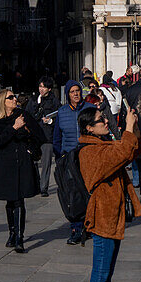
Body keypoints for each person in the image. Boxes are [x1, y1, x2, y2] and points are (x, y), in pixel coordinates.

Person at [78, 103, 141, 282]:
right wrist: (126, 128)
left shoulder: (101, 144)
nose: (106, 121)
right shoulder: (89, 151)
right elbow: (120, 154)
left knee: (107, 274)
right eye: (100, 120)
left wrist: (134, 128)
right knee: (100, 274)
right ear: (89, 128)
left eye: (104, 117)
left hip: (112, 215)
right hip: (102, 217)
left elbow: (129, 151)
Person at [0, 89, 43, 253]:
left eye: (14, 97)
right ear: (2, 101)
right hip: (6, 163)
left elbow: (39, 135)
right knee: (10, 200)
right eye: (10, 97)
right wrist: (14, 128)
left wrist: (27, 135)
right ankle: (12, 232)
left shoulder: (23, 115)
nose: (14, 99)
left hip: (22, 161)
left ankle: (20, 237)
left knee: (20, 199)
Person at [54, 81, 87, 243]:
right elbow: (57, 138)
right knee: (72, 195)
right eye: (72, 92)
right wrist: (60, 156)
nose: (76, 94)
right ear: (67, 94)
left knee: (88, 192)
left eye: (78, 91)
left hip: (87, 156)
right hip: (69, 158)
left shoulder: (89, 109)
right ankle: (76, 228)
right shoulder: (62, 112)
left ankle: (90, 225)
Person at [26, 77, 60, 196]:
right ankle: (34, 184)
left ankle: (44, 187)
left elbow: (58, 118)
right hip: (34, 135)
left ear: (49, 89)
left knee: (46, 163)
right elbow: (28, 114)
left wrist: (50, 121)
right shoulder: (34, 99)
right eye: (40, 86)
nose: (41, 89)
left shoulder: (54, 101)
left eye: (44, 87)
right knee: (32, 161)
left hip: (47, 136)